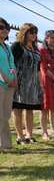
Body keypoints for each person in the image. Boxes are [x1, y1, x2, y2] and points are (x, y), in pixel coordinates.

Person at [11, 23, 42, 144]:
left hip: (33, 84)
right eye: (31, 32)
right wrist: (14, 79)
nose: (34, 35)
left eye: (35, 32)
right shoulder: (17, 46)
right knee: (18, 110)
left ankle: (29, 135)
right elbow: (11, 64)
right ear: (24, 32)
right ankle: (20, 137)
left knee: (30, 110)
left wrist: (41, 84)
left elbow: (39, 68)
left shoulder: (36, 49)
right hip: (19, 82)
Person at [39, 30, 54, 140]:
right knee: (44, 108)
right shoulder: (42, 50)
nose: (53, 40)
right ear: (46, 38)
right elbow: (43, 68)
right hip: (47, 82)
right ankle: (44, 133)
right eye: (51, 37)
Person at [0, 17, 16, 149]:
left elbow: (12, 64)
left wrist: (14, 79)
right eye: (1, 27)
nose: (4, 30)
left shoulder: (7, 47)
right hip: (1, 83)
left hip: (10, 85)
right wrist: (5, 78)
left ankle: (5, 144)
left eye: (6, 27)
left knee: (5, 115)